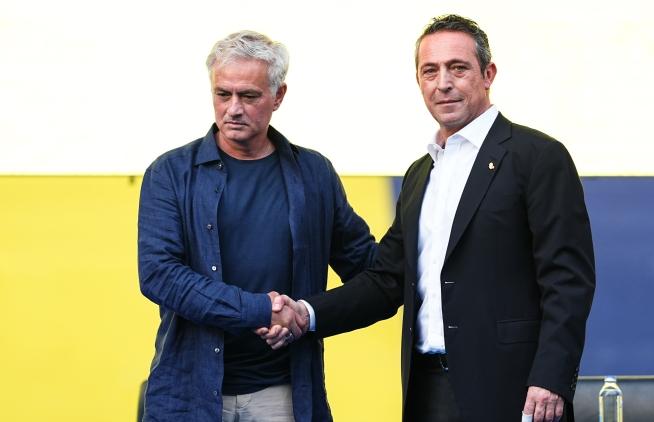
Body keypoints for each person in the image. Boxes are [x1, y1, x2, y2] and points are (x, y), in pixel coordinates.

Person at [263, 14, 596, 422]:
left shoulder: (538, 157)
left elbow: (568, 282)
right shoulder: (421, 174)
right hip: (426, 390)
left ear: (488, 74)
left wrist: (551, 378)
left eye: (458, 68)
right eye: (430, 71)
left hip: (515, 391)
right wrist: (305, 314)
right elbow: (386, 280)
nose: (443, 83)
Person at [137, 30, 376, 422]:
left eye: (249, 96)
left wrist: (305, 315)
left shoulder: (314, 174)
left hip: (282, 395)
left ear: (278, 96)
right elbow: (159, 275)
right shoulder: (170, 174)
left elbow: (370, 273)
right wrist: (260, 310)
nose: (233, 108)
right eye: (222, 94)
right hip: (189, 395)